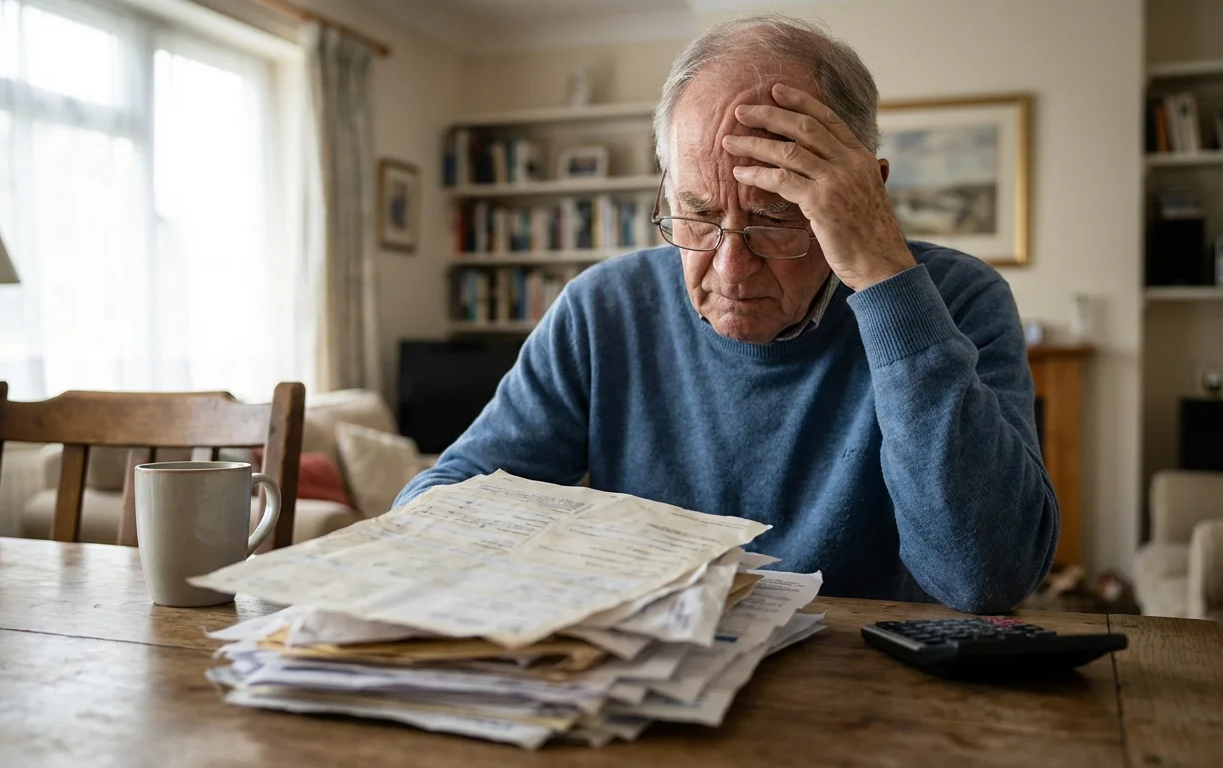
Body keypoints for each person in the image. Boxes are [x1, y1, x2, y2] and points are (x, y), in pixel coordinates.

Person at [396, 14, 1058, 613]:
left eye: (774, 219)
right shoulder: (603, 309)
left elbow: (985, 578)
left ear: (862, 195)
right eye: (699, 213)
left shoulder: (957, 300)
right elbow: (443, 500)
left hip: (872, 700)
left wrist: (885, 280)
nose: (730, 267)